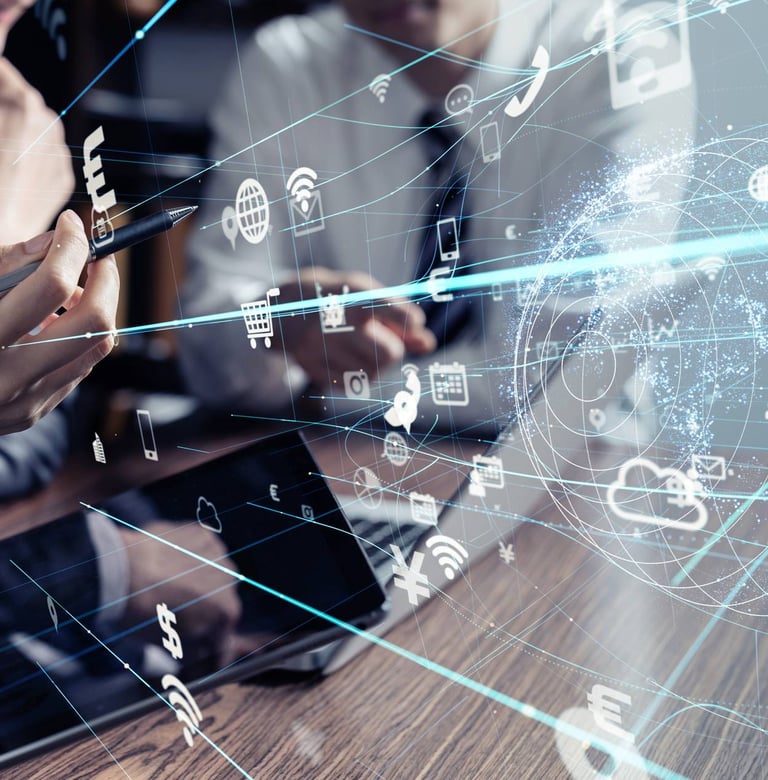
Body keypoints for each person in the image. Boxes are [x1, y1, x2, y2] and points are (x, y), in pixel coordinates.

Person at [179, 0, 694, 431]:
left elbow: (559, 374)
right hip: (351, 461)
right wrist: (273, 320)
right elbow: (204, 344)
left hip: (571, 470)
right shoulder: (288, 64)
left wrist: (324, 393)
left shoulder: (623, 57)